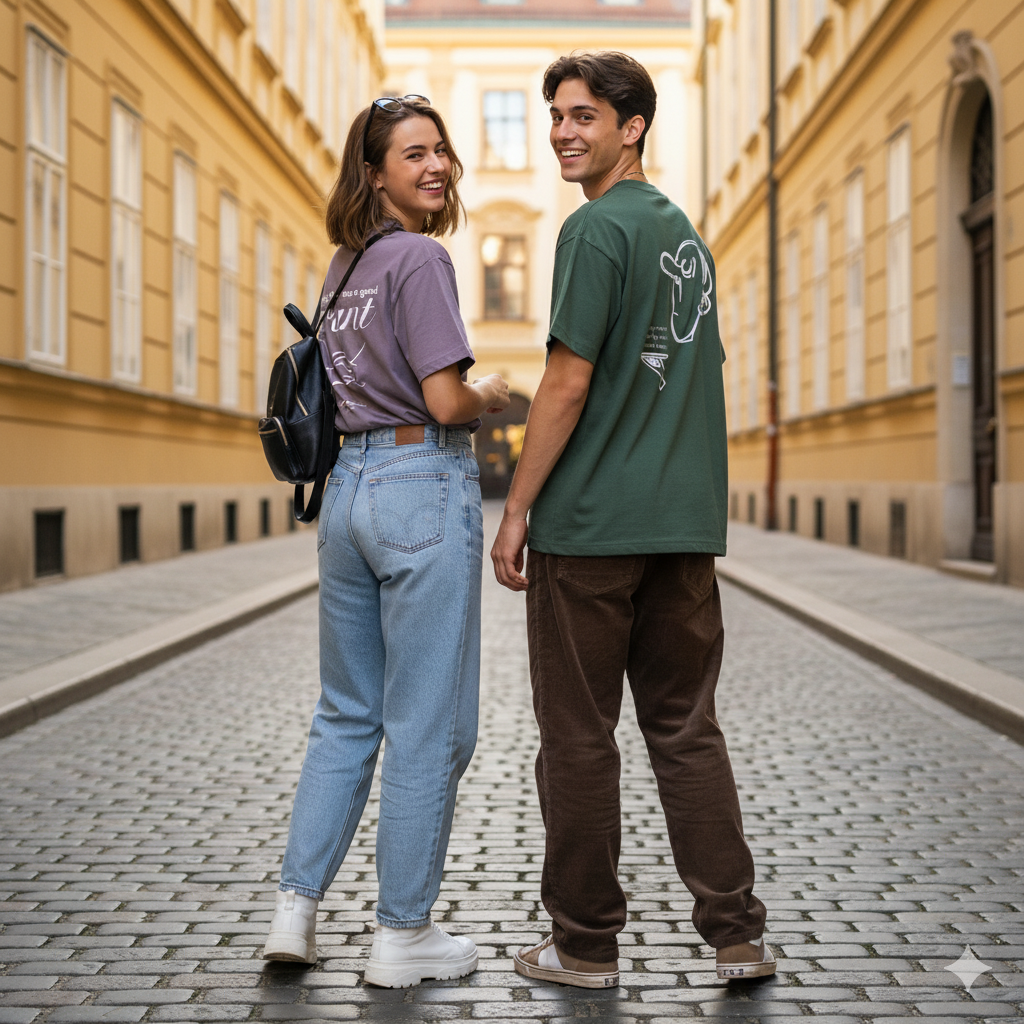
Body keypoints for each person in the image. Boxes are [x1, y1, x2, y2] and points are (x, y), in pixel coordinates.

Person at [490, 51, 775, 988]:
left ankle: (582, 946)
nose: (563, 133)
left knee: (578, 738)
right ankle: (736, 935)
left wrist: (516, 509)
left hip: (592, 530)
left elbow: (566, 382)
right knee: (687, 729)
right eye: (556, 116)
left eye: (583, 116)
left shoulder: (594, 229)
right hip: (683, 528)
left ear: (632, 126)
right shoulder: (685, 236)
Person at [263, 95, 510, 989]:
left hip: (347, 496)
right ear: (373, 175)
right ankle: (404, 935)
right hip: (419, 483)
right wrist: (494, 395)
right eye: (414, 154)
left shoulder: (347, 265)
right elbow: (445, 399)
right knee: (429, 727)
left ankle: (295, 912)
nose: (436, 166)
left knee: (345, 713)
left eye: (441, 150)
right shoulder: (421, 257)